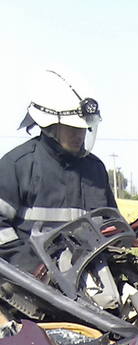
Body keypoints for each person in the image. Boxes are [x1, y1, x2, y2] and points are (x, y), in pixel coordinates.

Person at [0, 69, 115, 275]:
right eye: (72, 127)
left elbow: (111, 226)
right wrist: (32, 267)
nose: (79, 134)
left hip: (89, 288)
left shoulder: (96, 171)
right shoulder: (17, 166)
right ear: (50, 125)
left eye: (84, 128)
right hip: (28, 292)